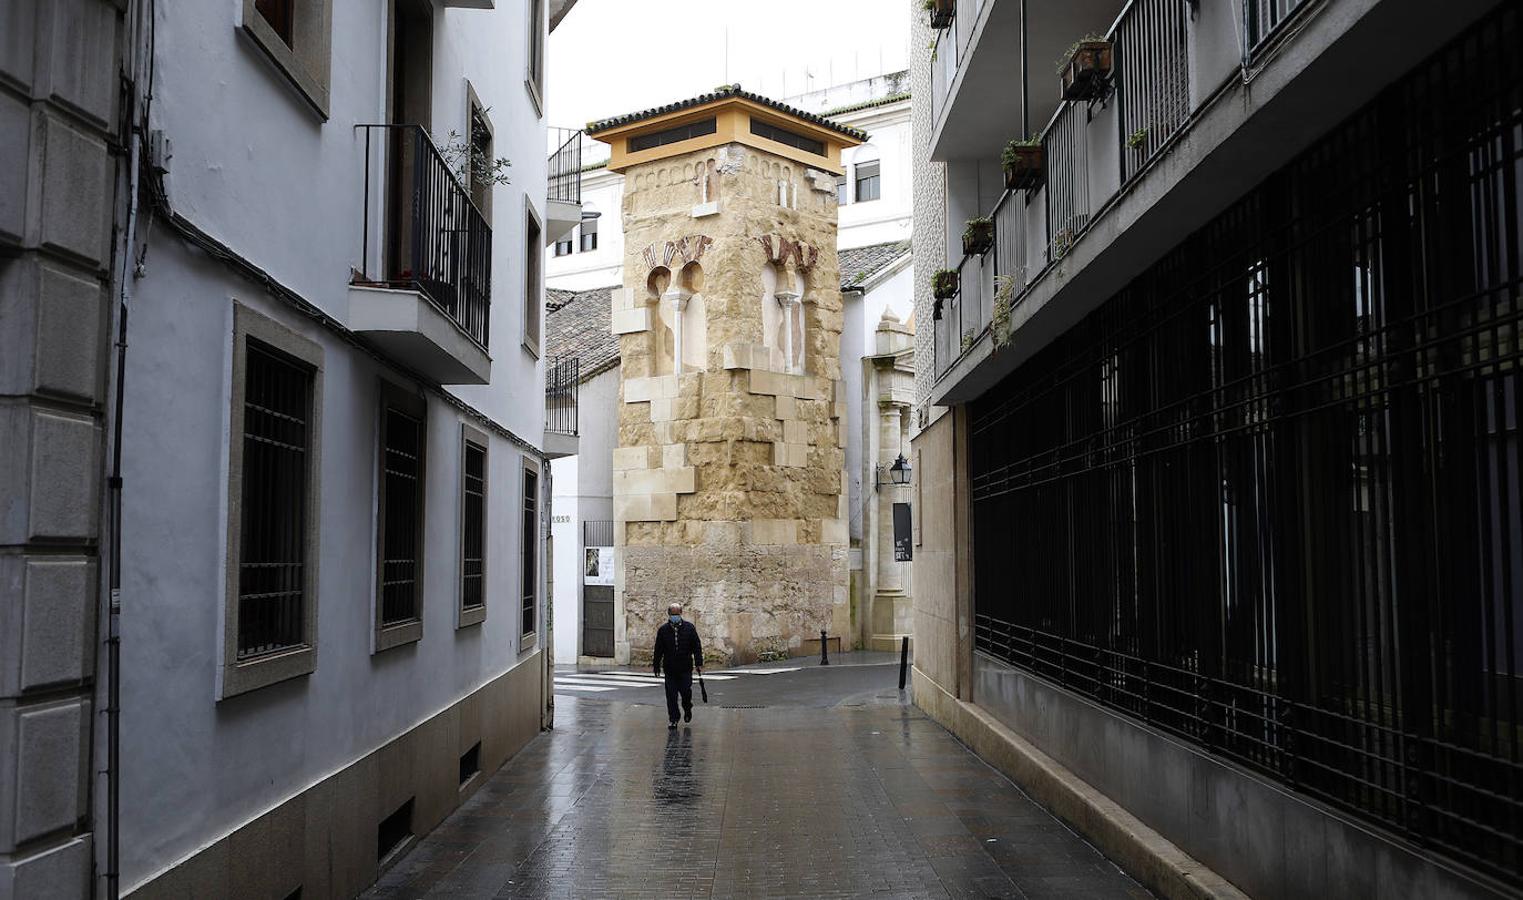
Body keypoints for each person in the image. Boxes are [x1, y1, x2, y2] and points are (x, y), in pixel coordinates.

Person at [652, 603, 702, 729]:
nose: (675, 617)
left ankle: (687, 707)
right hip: (670, 668)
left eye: (677, 614)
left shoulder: (689, 628)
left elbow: (696, 646)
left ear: (681, 614)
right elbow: (658, 650)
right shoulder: (663, 630)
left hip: (685, 668)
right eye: (673, 614)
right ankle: (673, 718)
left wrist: (698, 663)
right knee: (671, 696)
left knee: (686, 692)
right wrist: (656, 666)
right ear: (669, 615)